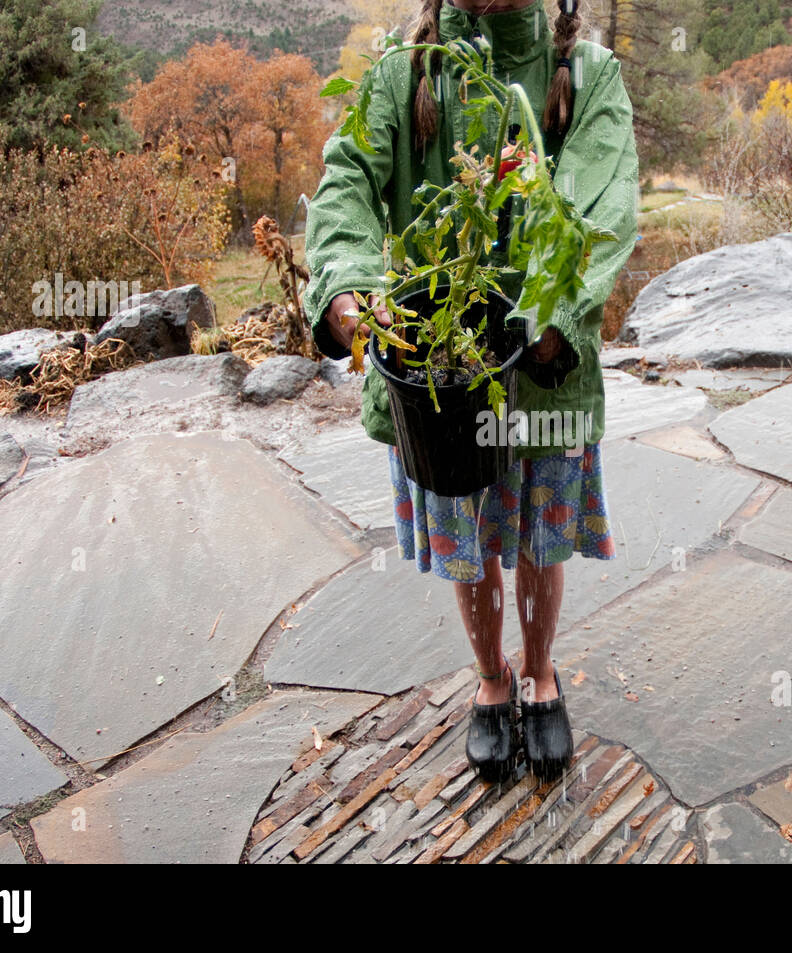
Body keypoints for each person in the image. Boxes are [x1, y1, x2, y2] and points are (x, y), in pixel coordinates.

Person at [302, 0, 639, 783]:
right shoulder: (401, 73)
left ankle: (540, 672)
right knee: (468, 535)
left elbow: (602, 210)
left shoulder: (585, 78)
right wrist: (349, 291)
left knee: (537, 539)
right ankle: (492, 678)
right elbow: (347, 181)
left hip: (543, 366)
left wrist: (550, 318)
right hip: (437, 366)